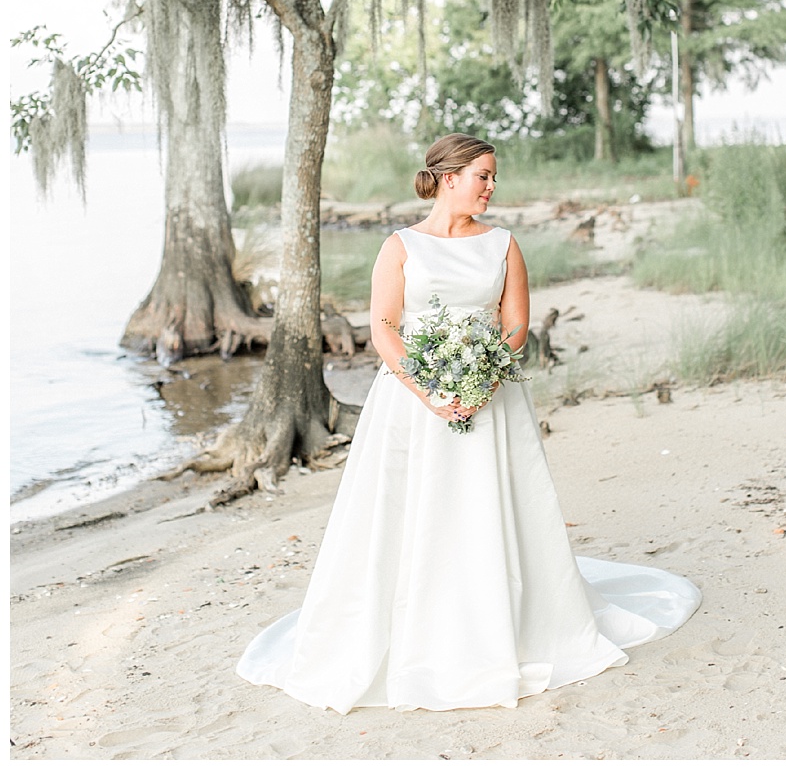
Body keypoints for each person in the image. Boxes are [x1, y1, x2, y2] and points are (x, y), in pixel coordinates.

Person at [238, 133, 700, 712]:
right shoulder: (400, 247)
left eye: (493, 176)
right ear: (448, 178)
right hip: (413, 403)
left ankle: (504, 623)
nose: (491, 186)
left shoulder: (504, 245)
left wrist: (483, 379)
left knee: (489, 504)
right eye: (483, 175)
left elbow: (515, 327)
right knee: (412, 511)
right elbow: (384, 330)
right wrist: (431, 391)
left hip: (491, 398)